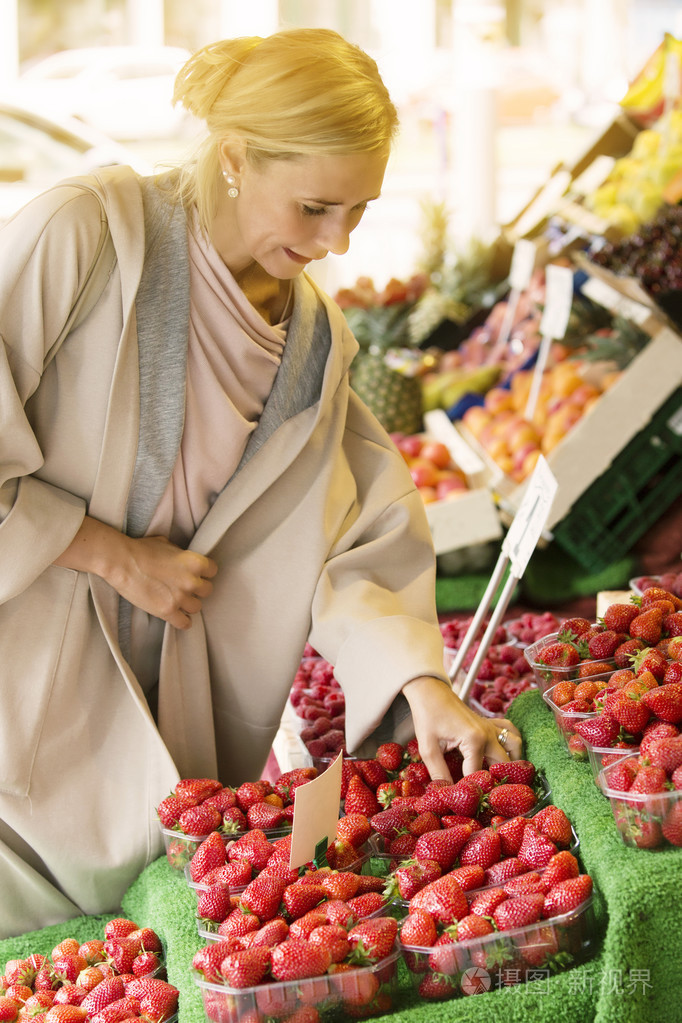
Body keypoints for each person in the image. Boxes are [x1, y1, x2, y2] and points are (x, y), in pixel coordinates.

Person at [0, 27, 521, 938]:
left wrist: (417, 682)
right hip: (23, 694)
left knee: (138, 959)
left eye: (359, 212)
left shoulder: (314, 341)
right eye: (317, 207)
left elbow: (354, 526)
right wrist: (111, 554)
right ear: (236, 158)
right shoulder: (83, 237)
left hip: (175, 724)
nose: (338, 243)